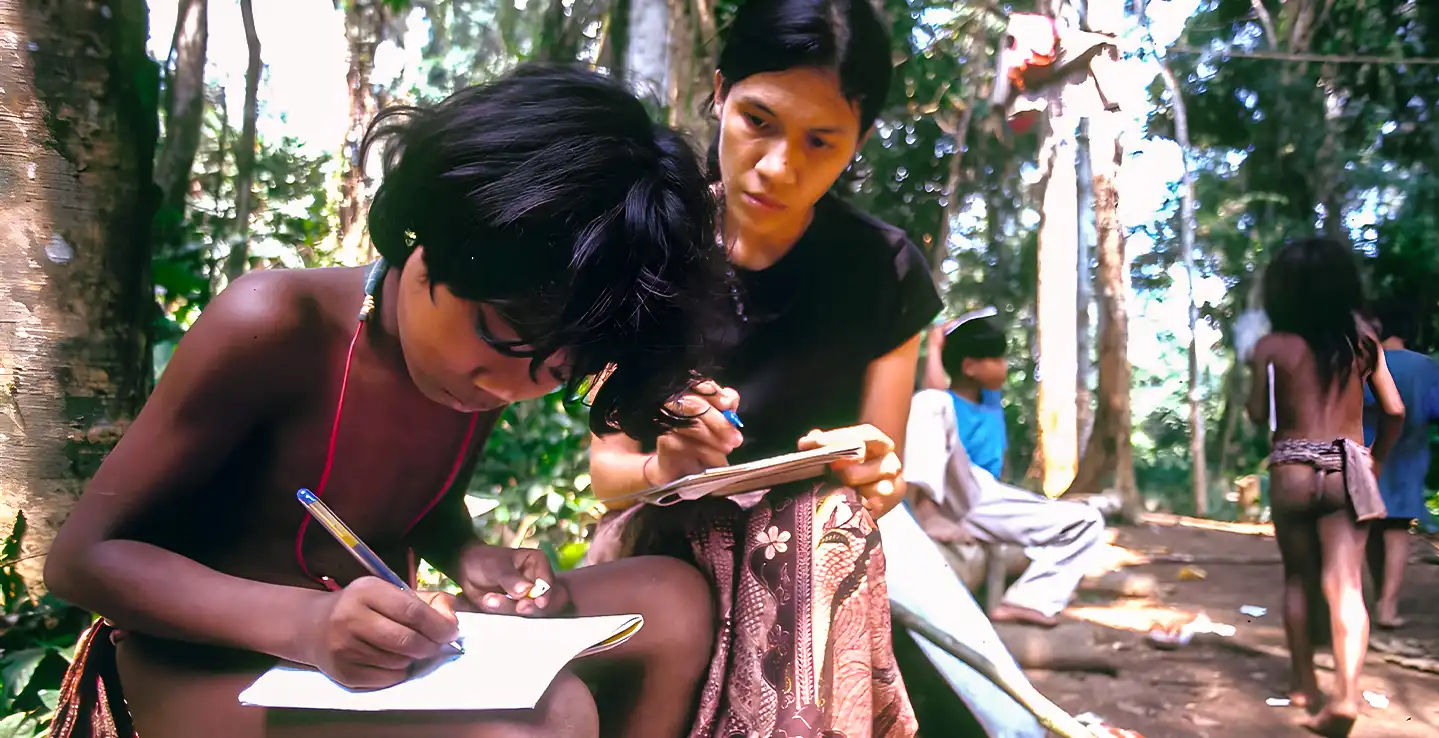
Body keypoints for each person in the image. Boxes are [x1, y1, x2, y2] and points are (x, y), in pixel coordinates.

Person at [44, 64, 724, 738]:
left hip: (374, 645)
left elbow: (401, 495)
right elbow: (83, 560)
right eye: (498, 335)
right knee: (546, 720)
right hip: (210, 667)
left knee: (673, 600)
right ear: (435, 237)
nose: (505, 389)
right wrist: (304, 626)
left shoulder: (481, 353)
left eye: (557, 370)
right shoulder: (272, 322)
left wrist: (467, 555)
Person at [585, 0, 936, 734]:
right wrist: (664, 468)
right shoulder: (653, 248)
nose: (779, 166)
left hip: (812, 555)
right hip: (665, 537)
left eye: (821, 142)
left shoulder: (885, 272)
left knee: (826, 520)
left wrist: (876, 475)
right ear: (719, 93)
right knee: (754, 532)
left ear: (859, 143)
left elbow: (873, 476)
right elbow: (609, 476)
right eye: (758, 121)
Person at [1246, 238, 1405, 738]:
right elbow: (1395, 411)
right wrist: (1375, 460)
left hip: (1292, 465)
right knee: (1346, 584)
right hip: (1348, 465)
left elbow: (1256, 413)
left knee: (1297, 579)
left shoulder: (1271, 346)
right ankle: (1345, 696)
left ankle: (1301, 685)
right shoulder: (1362, 345)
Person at [906, 316, 1106, 628]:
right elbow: (932, 394)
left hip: (985, 498)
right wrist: (934, 345)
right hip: (952, 487)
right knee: (932, 401)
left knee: (1087, 521)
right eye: (997, 359)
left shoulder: (988, 398)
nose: (1005, 365)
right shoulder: (944, 402)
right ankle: (927, 512)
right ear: (970, 367)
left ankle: (1030, 599)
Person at [1361, 299, 1439, 630]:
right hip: (1409, 455)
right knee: (1398, 529)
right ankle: (1387, 605)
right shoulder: (1426, 367)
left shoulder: (1364, 360)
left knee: (1368, 526)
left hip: (1367, 454)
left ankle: (1362, 602)